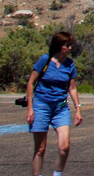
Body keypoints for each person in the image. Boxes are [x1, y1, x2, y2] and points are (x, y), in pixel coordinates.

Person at [26, 31, 83, 176]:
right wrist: (30, 109)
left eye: (70, 45)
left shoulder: (70, 64)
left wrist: (78, 109)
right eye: (67, 45)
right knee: (40, 149)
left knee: (64, 147)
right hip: (41, 106)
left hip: (61, 107)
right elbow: (31, 83)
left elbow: (72, 87)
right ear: (59, 46)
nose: (70, 48)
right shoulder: (45, 60)